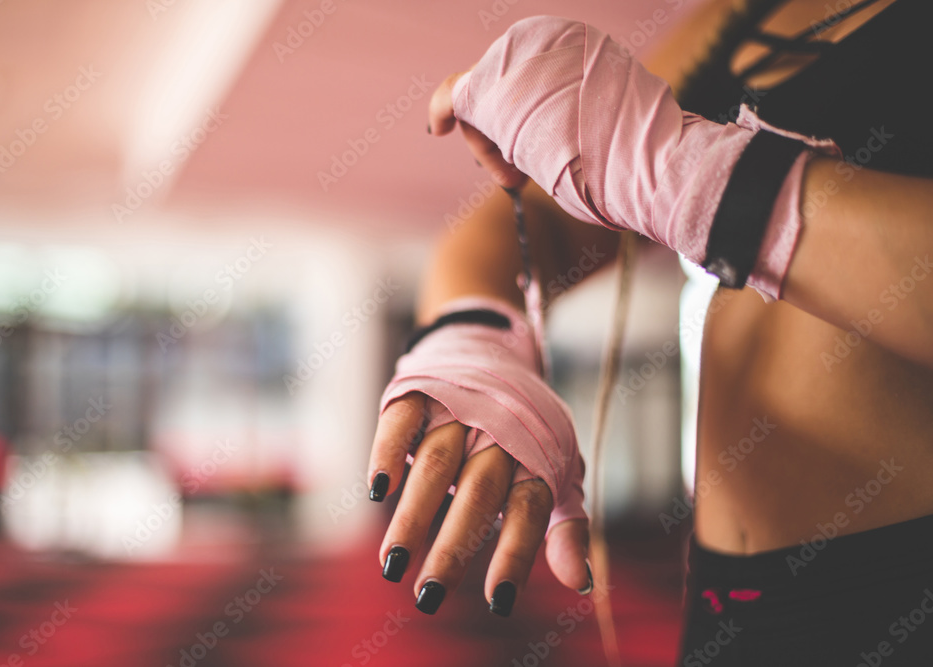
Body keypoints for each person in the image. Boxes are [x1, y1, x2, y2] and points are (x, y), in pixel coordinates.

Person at [367, 1, 933, 663]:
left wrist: (680, 172)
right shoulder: (745, 11)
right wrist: (474, 336)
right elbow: (535, 215)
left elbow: (648, 162)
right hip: (729, 592)